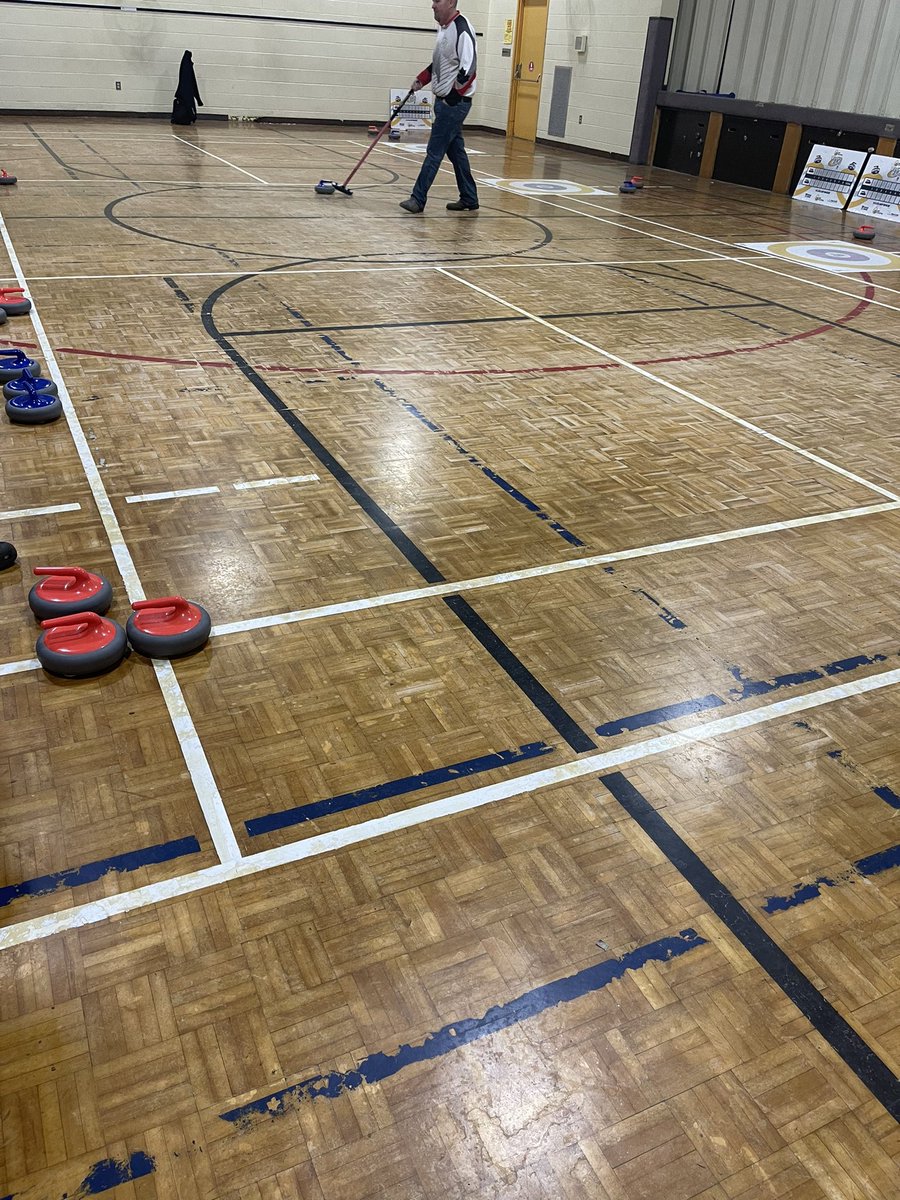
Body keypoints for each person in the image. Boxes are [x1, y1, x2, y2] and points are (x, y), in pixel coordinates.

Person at [400, 0, 478, 214]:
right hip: (445, 102)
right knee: (456, 152)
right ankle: (469, 197)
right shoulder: (444, 29)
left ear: (451, 2)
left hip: (453, 104)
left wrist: (452, 97)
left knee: (434, 150)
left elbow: (468, 68)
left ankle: (418, 199)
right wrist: (422, 79)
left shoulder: (462, 28)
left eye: (438, 1)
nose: (433, 5)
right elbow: (442, 62)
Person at [171, 51, 203, 126]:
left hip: (183, 92)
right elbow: (193, 83)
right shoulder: (187, 68)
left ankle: (183, 117)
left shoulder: (185, 66)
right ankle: (187, 117)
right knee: (187, 104)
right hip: (186, 93)